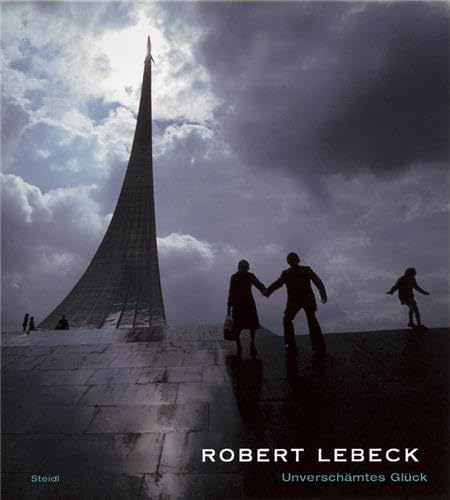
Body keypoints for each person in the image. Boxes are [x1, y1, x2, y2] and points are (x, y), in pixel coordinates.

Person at [266, 252, 327, 358]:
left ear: (288, 262)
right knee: (311, 321)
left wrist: (268, 291)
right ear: (297, 260)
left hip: (295, 301)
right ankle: (318, 346)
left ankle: (291, 347)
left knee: (289, 320)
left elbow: (278, 284)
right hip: (306, 299)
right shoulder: (305, 270)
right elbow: (318, 282)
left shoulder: (287, 273)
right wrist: (323, 293)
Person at [227, 260, 267, 357]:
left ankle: (239, 344)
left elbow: (231, 291)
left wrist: (229, 305)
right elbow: (258, 284)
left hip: (238, 304)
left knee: (238, 325)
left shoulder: (234, 277)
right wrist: (265, 291)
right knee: (251, 325)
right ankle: (252, 343)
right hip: (248, 302)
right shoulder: (250, 276)